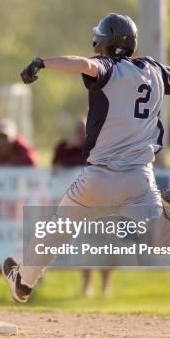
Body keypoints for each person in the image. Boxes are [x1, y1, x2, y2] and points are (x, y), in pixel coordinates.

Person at [2, 13, 170, 303]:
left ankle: (23, 283)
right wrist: (158, 70)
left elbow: (84, 64)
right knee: (155, 239)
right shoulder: (153, 69)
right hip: (140, 178)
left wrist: (43, 62)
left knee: (57, 229)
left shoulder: (107, 67)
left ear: (104, 43)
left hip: (99, 177)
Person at [52, 119, 113, 297]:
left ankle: (105, 286)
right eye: (78, 130)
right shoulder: (65, 146)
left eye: (84, 130)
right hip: (79, 204)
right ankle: (87, 285)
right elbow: (57, 164)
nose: (81, 134)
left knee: (105, 246)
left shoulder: (100, 145)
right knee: (85, 246)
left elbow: (92, 163)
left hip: (101, 202)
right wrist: (72, 147)